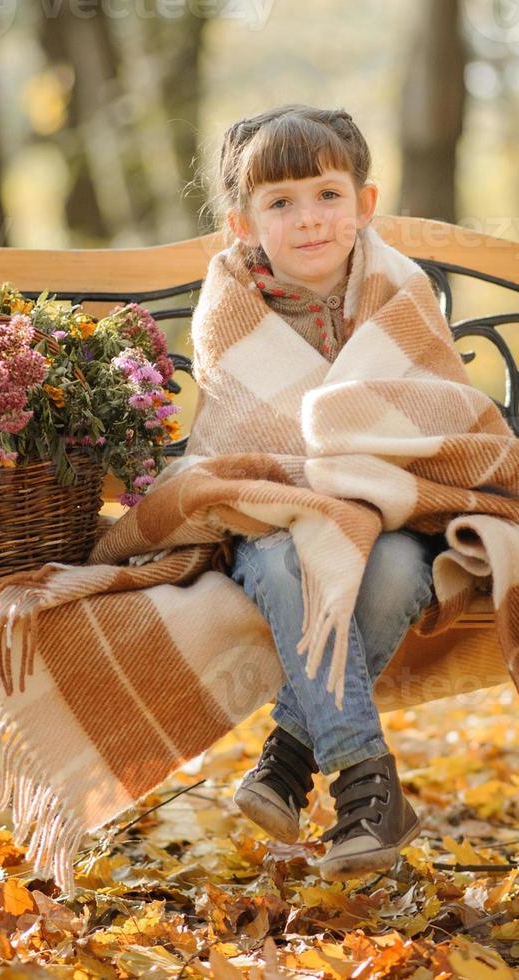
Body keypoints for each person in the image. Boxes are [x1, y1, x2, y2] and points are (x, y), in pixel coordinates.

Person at [200, 104, 443, 880]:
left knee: (401, 571)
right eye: (279, 203)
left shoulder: (399, 292)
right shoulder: (230, 307)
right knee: (280, 571)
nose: (307, 220)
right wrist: (311, 489)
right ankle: (367, 786)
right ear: (242, 224)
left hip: (390, 509)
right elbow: (243, 446)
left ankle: (290, 753)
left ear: (364, 204)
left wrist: (358, 481)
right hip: (272, 514)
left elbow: (432, 418)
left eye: (326, 195)